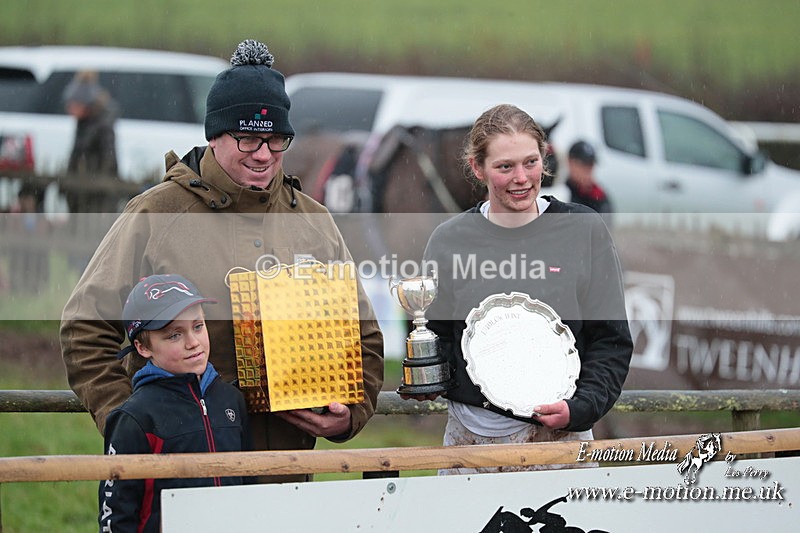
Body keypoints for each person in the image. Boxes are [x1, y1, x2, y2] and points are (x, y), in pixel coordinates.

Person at [60, 39, 384, 483]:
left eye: (276, 139)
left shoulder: (315, 221)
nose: (264, 154)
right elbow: (85, 327)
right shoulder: (156, 214)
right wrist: (134, 426)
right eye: (248, 138)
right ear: (213, 134)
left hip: (286, 476)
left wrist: (351, 414)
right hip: (182, 473)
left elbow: (362, 335)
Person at [418, 104, 632, 474]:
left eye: (531, 162)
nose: (521, 177)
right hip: (469, 444)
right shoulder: (449, 240)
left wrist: (579, 410)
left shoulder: (583, 229)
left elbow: (610, 341)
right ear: (477, 168)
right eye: (505, 167)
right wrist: (434, 376)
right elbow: (435, 334)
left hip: (560, 443)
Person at [99, 274, 250, 532]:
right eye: (174, 335)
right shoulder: (134, 416)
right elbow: (116, 511)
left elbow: (249, 483)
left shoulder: (231, 400)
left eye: (198, 326)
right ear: (143, 347)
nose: (193, 342)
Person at [62, 70, 119, 176]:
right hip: (85, 178)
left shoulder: (103, 124)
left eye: (74, 105)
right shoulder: (83, 122)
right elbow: (76, 152)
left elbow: (108, 157)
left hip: (97, 180)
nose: (70, 109)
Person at [564, 140, 613, 226]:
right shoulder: (561, 192)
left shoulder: (598, 195)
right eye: (583, 165)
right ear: (570, 162)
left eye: (591, 165)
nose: (588, 170)